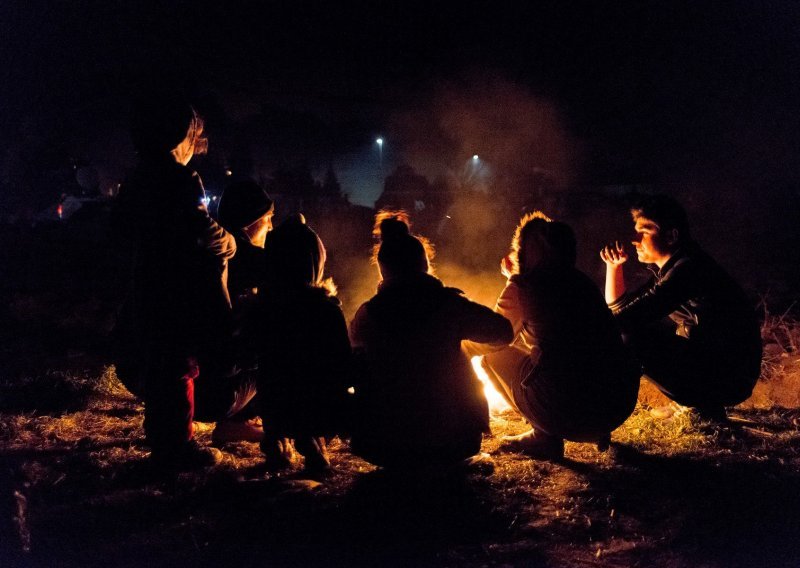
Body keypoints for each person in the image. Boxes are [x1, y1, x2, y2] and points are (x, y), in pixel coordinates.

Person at [113, 93, 256, 470]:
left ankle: (165, 438)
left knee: (165, 364)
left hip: (148, 283)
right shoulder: (178, 177)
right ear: (181, 136)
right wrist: (227, 242)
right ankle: (175, 448)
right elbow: (197, 227)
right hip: (177, 290)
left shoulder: (138, 176)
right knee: (178, 366)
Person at [349, 212, 513, 472]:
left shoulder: (367, 314)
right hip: (453, 442)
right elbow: (503, 332)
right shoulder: (449, 304)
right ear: (424, 264)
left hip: (381, 445)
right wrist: (464, 347)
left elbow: (352, 358)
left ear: (383, 271)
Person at [468, 212, 639, 460]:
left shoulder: (523, 287)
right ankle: (593, 428)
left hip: (570, 411)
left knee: (493, 356)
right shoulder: (581, 282)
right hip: (616, 406)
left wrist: (453, 344)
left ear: (526, 250)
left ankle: (543, 437)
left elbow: (494, 336)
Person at [600, 194, 762, 421]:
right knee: (629, 331)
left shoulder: (689, 269)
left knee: (632, 337)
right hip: (720, 369)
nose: (635, 239)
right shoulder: (675, 266)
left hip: (729, 376)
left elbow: (633, 317)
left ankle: (699, 403)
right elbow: (623, 308)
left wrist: (584, 329)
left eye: (645, 231)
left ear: (671, 236)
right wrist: (613, 267)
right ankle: (698, 403)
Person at [249, 214, 352, 472]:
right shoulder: (327, 310)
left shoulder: (261, 307)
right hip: (318, 407)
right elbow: (344, 364)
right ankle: (313, 441)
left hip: (276, 406)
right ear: (315, 263)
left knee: (270, 377)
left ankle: (277, 439)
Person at [216, 179, 274, 306]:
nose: (271, 226)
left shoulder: (220, 253)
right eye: (267, 218)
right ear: (247, 222)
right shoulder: (249, 265)